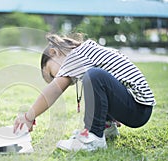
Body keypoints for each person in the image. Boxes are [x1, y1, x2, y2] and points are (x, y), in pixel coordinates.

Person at [13, 33, 156, 151]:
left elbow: (53, 90)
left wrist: (28, 116)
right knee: (94, 77)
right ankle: (107, 127)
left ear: (54, 52)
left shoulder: (75, 55)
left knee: (94, 76)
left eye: (52, 74)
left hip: (137, 107)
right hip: (139, 107)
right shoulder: (87, 53)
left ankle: (94, 137)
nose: (57, 78)